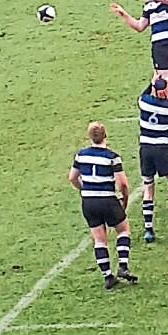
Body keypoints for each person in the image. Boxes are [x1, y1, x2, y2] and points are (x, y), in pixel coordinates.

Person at [69, 122, 138, 290]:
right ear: (105, 135)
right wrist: (125, 199)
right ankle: (123, 265)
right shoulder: (111, 157)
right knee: (123, 230)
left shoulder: (81, 155)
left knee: (99, 239)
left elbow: (72, 177)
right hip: (107, 199)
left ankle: (108, 276)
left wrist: (84, 189)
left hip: (89, 202)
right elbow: (122, 183)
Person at [138, 78, 168, 241]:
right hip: (162, 149)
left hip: (145, 149)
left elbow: (145, 93)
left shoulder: (143, 102)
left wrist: (154, 80)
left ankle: (148, 230)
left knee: (148, 187)